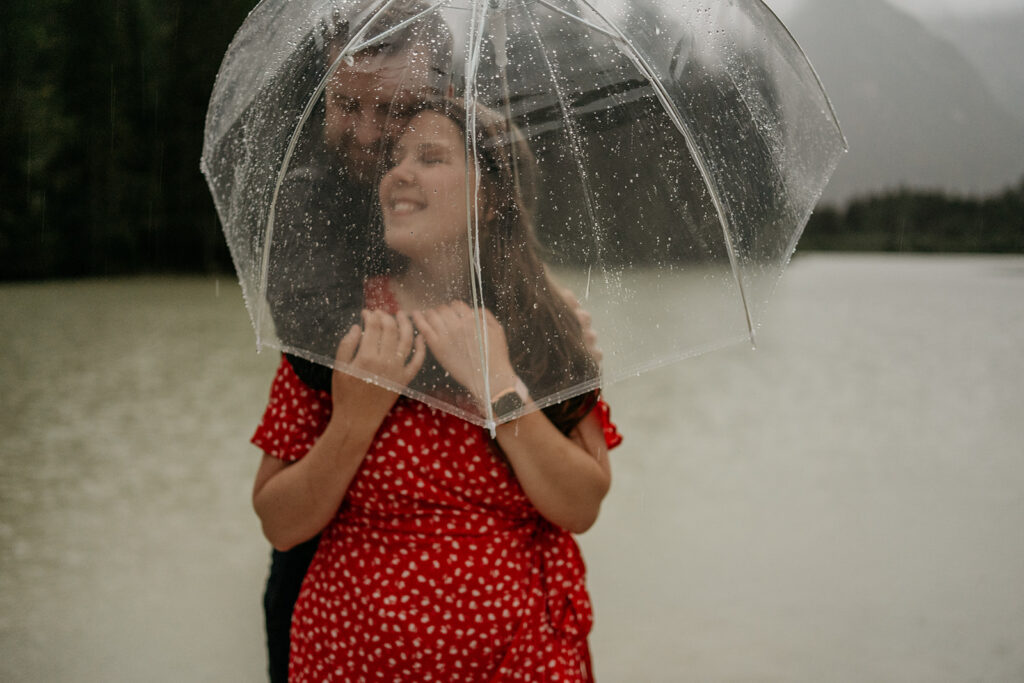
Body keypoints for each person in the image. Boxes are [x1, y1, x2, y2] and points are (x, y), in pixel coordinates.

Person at [250, 98, 622, 681]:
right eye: (395, 159)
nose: (398, 173)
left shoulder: (542, 322)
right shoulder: (338, 324)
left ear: (490, 196)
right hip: (350, 662)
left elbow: (580, 505)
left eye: (430, 157)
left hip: (524, 662)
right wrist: (355, 417)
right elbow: (279, 522)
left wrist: (499, 386)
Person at [258, 7, 455, 681]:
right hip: (327, 565)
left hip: (473, 569)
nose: (366, 131)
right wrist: (482, 353)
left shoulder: (484, 178)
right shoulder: (304, 196)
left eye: (395, 109)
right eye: (346, 104)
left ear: (443, 103)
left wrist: (550, 329)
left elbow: (526, 296)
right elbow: (322, 358)